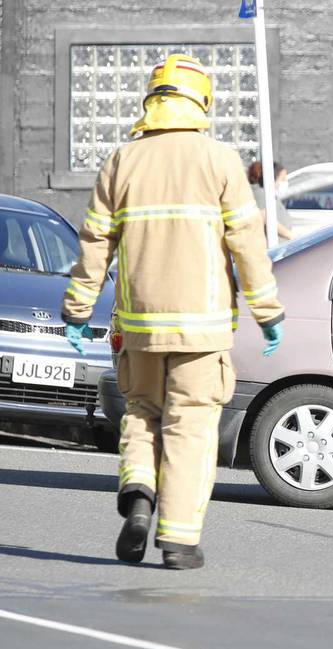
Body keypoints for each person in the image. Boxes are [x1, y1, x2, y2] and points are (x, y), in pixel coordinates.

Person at [61, 54, 285, 570]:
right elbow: (248, 246)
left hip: (138, 328)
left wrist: (76, 310)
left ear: (153, 100)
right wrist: (268, 312)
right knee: (191, 426)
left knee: (141, 411)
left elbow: (95, 242)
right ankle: (179, 541)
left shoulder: (121, 160)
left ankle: (139, 487)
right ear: (200, 101)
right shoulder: (220, 160)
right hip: (201, 331)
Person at [247, 160, 295, 242]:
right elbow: (265, 217)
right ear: (272, 178)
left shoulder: (270, 195)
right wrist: (289, 235)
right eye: (282, 179)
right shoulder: (262, 194)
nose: (285, 183)